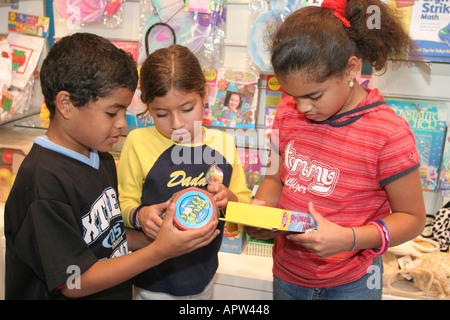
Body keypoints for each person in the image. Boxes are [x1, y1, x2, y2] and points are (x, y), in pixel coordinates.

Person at [4, 33, 219, 300]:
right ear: (65, 104)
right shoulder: (42, 182)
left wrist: (158, 234)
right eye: (111, 113)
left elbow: (109, 237)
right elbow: (73, 281)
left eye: (124, 112)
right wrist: (160, 251)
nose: (122, 124)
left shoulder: (100, 157)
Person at [245, 0, 426, 300]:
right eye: (292, 95)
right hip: (288, 275)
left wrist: (351, 238)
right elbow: (275, 179)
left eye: (314, 96)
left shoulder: (388, 133)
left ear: (350, 69)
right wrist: (262, 216)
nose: (302, 107)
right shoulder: (289, 113)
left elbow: (412, 218)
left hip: (353, 282)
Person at [117, 44, 252, 299]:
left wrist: (230, 200)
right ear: (146, 107)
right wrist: (139, 215)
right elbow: (124, 202)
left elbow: (243, 203)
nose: (177, 123)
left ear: (205, 95)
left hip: (204, 277)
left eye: (187, 109)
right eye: (161, 114)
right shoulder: (137, 142)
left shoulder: (223, 144)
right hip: (152, 282)